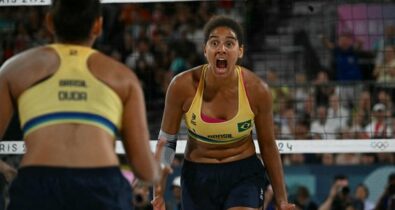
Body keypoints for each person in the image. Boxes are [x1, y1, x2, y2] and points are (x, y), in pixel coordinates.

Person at [0, 0, 162, 209]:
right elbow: (144, 170)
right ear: (98, 26)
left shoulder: (15, 69)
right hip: (101, 185)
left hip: (37, 184)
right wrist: (159, 170)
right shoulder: (122, 77)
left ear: (49, 22)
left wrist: (6, 169)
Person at [152, 15, 295, 210]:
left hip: (243, 173)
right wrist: (157, 188)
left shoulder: (257, 90)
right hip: (198, 175)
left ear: (240, 51)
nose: (222, 49)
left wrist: (282, 200)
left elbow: (268, 145)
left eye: (229, 43)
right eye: (214, 43)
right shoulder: (181, 86)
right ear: (205, 50)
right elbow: (167, 141)